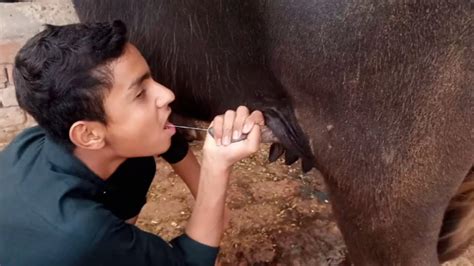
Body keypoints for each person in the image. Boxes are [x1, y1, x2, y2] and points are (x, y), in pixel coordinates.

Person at [0, 20, 264, 266]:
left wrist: (205, 195)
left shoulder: (35, 141)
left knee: (136, 167)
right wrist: (216, 168)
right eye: (140, 93)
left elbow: (170, 142)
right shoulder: (81, 234)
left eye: (150, 79)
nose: (167, 94)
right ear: (89, 134)